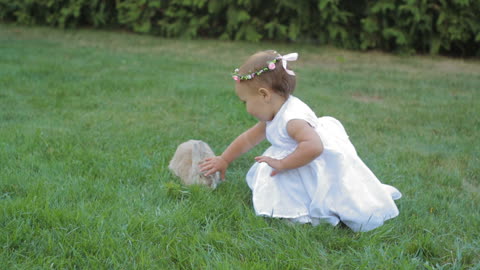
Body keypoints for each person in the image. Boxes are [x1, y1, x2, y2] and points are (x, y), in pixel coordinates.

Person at [199, 50, 401, 232]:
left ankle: (302, 214)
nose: (245, 107)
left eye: (245, 101)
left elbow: (314, 147)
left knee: (297, 182)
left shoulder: (292, 120)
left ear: (264, 95)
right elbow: (248, 138)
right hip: (301, 153)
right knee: (275, 174)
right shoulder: (275, 111)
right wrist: (224, 159)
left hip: (312, 159)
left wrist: (283, 163)